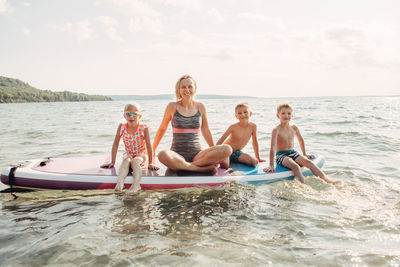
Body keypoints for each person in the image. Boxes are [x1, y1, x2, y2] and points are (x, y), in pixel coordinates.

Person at [152, 74, 232, 174]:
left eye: (190, 86)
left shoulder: (200, 106)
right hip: (177, 154)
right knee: (162, 155)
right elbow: (162, 129)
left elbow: (206, 130)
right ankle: (199, 168)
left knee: (227, 149)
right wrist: (152, 151)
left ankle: (186, 166)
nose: (187, 90)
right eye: (183, 87)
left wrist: (215, 151)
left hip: (197, 155)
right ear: (179, 89)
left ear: (195, 88)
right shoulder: (172, 106)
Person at [264, 103, 340, 184]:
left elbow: (300, 140)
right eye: (283, 113)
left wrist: (304, 154)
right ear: (277, 115)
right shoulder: (276, 130)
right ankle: (303, 185)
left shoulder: (294, 128)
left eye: (289, 113)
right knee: (295, 166)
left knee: (309, 163)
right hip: (281, 155)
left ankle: (326, 179)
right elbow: (272, 147)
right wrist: (271, 165)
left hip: (292, 152)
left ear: (292, 115)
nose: (286, 115)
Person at [101, 102, 159, 194]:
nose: (131, 116)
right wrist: (113, 161)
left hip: (141, 154)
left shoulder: (144, 128)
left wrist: (151, 163)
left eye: (134, 114)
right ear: (124, 116)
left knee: (135, 161)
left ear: (139, 116)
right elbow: (116, 144)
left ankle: (136, 185)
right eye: (128, 114)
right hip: (128, 153)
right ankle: (120, 183)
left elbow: (148, 146)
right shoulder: (122, 127)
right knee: (126, 161)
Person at [216, 102, 264, 167]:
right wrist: (215, 154)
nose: (243, 115)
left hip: (237, 153)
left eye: (245, 112)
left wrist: (258, 157)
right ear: (236, 116)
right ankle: (223, 160)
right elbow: (220, 141)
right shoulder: (233, 127)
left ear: (250, 113)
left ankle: (231, 160)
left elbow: (254, 142)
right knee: (225, 165)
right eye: (239, 113)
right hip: (226, 151)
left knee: (254, 162)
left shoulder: (253, 126)